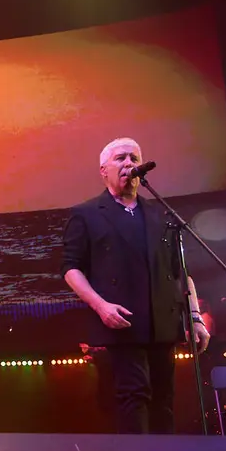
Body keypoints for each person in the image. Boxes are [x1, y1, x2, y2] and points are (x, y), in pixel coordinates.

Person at [61, 137, 211, 434]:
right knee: (134, 395)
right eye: (120, 158)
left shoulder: (160, 214)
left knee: (164, 399)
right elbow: (70, 268)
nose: (129, 163)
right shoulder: (87, 214)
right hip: (123, 321)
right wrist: (100, 305)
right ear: (103, 170)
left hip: (162, 322)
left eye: (134, 157)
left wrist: (194, 318)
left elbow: (180, 271)